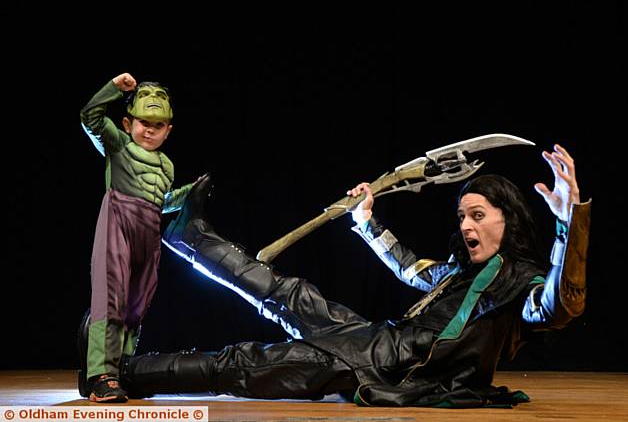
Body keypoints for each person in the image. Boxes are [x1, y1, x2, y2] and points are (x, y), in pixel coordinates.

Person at [107, 144, 588, 407]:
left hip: (380, 366)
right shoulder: (460, 274)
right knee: (286, 291)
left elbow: (560, 303)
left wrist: (569, 223)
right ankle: (188, 232)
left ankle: (122, 372)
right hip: (371, 340)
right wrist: (365, 220)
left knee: (243, 363)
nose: (465, 225)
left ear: (510, 218)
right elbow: (411, 268)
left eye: (478, 215)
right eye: (462, 216)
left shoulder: (520, 283)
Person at [78, 73, 198, 403]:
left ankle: (123, 369)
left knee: (136, 304)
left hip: (149, 229)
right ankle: (101, 374)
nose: (149, 130)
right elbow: (90, 118)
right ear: (128, 122)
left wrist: (190, 192)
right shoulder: (119, 145)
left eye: (157, 125)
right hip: (119, 218)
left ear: (168, 130)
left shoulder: (167, 165)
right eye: (143, 122)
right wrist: (114, 88)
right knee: (111, 296)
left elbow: (162, 201)